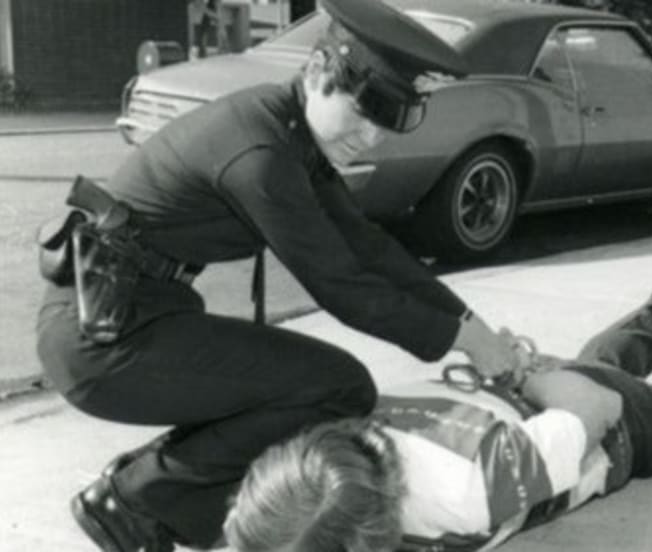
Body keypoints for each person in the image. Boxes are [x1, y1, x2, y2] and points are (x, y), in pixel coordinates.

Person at [35, 0, 524, 550]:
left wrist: (469, 324)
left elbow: (370, 249)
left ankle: (146, 499)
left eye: (385, 124)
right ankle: (134, 499)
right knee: (335, 387)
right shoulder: (263, 150)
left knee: (307, 380)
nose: (368, 138)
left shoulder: (290, 131)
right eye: (361, 112)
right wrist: (461, 339)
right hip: (102, 340)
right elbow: (341, 284)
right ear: (316, 71)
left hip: (134, 317)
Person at [223, 283, 652, 552]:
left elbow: (599, 408)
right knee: (586, 372)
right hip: (536, 402)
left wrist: (528, 374)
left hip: (613, 426)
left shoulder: (474, 491)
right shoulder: (337, 436)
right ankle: (650, 326)